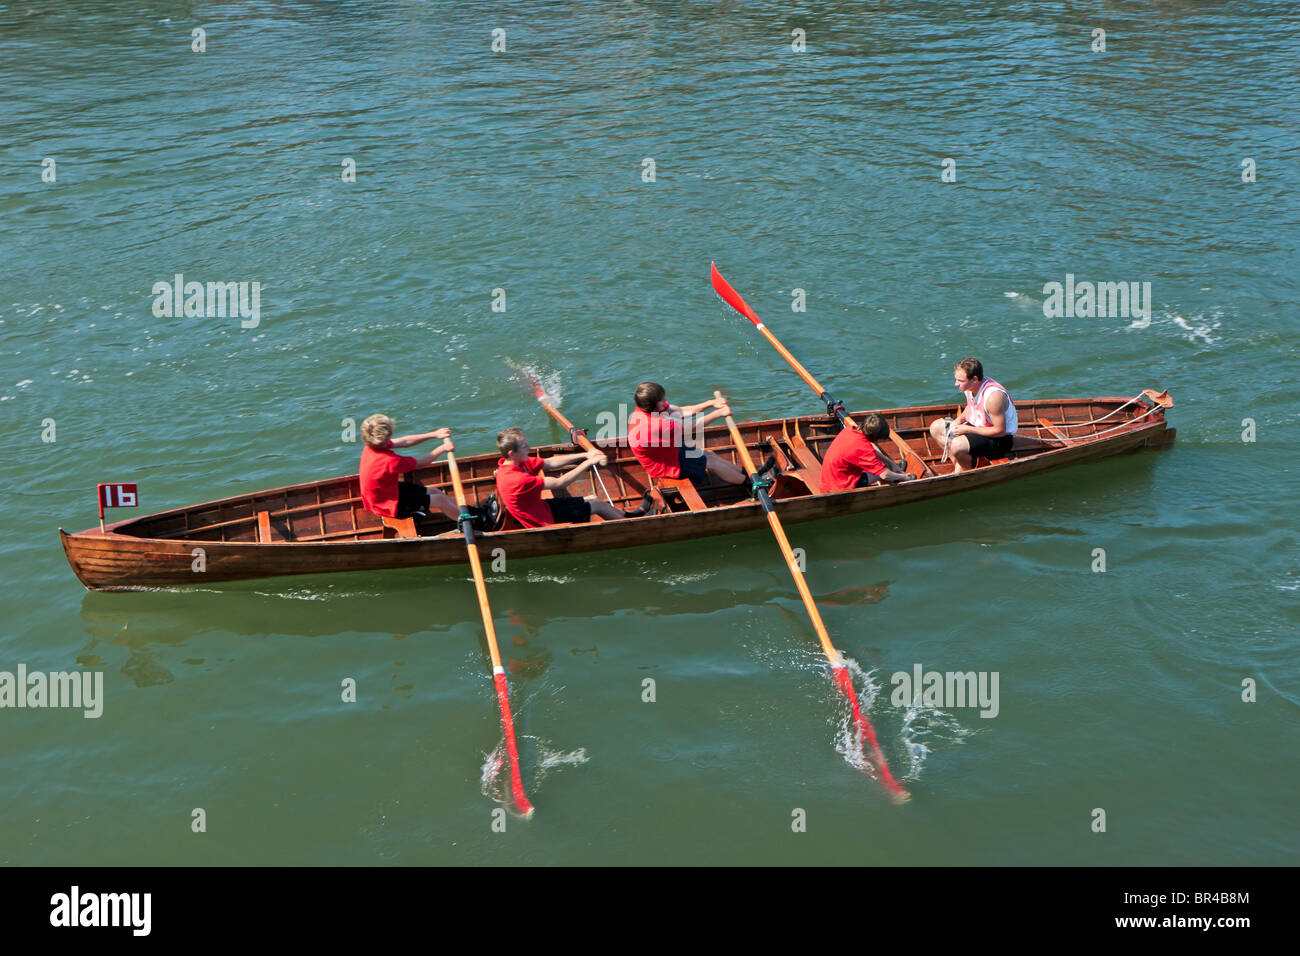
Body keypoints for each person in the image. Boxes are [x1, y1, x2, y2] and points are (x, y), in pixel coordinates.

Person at [495, 427, 655, 528]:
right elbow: (560, 482)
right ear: (512, 453)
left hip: (542, 508)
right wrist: (589, 462)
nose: (529, 448)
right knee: (598, 506)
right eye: (524, 446)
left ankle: (631, 518)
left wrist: (586, 455)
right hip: (543, 522)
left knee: (593, 498)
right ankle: (632, 526)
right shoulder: (516, 479)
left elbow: (550, 463)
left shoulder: (512, 463)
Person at [626, 382, 774, 487]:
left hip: (666, 452)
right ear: (652, 405)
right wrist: (718, 413)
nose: (666, 402)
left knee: (709, 454)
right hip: (664, 466)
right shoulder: (657, 424)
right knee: (711, 463)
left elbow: (683, 411)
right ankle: (750, 483)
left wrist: (711, 403)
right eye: (662, 400)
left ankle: (750, 473)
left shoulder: (646, 408)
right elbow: (693, 428)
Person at [359, 414, 474, 523]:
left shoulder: (371, 446)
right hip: (389, 505)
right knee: (441, 500)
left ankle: (468, 512)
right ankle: (471, 522)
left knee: (435, 492)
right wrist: (443, 448)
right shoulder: (390, 461)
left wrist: (433, 434)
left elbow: (405, 441)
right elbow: (421, 464)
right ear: (387, 436)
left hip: (386, 493)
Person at [928, 358, 1018, 474]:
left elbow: (1000, 431)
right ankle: (958, 464)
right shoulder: (970, 387)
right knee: (935, 428)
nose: (956, 384)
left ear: (974, 379)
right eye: (956, 379)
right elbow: (972, 405)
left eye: (960, 380)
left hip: (999, 440)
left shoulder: (993, 398)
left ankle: (966, 472)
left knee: (957, 445)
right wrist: (959, 420)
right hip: (978, 427)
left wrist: (968, 429)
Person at [820, 413, 913, 491]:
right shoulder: (862, 448)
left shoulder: (850, 430)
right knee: (881, 472)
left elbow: (871, 452)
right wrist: (904, 477)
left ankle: (895, 473)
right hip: (838, 487)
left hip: (829, 478)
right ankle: (896, 478)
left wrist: (891, 463)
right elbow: (884, 475)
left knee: (882, 466)